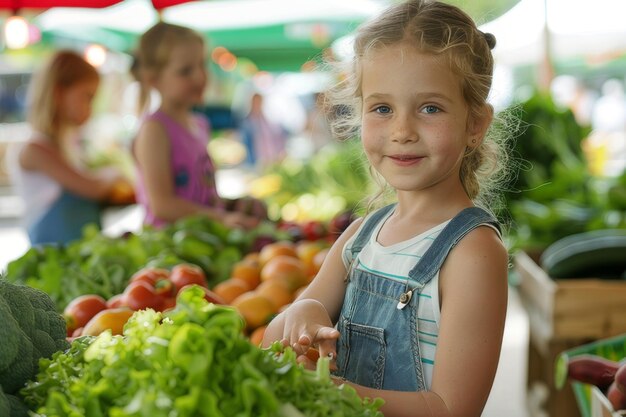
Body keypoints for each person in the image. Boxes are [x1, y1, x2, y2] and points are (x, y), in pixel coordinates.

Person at [262, 1, 510, 416]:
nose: (402, 131)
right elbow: (272, 343)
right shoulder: (361, 235)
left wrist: (331, 391)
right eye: (382, 108)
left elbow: (452, 408)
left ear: (475, 125)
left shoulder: (473, 253)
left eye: (430, 108)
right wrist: (306, 310)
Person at [132, 22, 262, 229]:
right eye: (185, 71)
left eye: (202, 65)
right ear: (153, 79)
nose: (200, 77)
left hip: (204, 238)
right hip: (170, 248)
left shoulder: (199, 124)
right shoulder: (154, 130)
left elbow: (200, 195)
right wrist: (221, 218)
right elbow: (162, 205)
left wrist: (231, 205)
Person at [9, 50, 128, 245]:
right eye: (87, 97)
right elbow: (90, 187)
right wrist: (114, 175)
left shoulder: (70, 146)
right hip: (53, 258)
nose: (91, 107)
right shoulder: (35, 150)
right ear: (58, 93)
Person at [239, 92, 287, 170]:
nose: (257, 105)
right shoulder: (247, 122)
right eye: (255, 102)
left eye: (259, 102)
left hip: (270, 160)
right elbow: (245, 145)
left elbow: (276, 136)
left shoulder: (266, 119)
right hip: (256, 162)